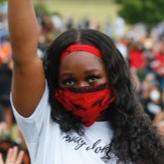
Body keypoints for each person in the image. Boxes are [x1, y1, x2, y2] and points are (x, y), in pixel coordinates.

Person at [8, 0, 164, 164]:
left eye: (92, 78)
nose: (81, 87)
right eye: (69, 82)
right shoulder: (43, 122)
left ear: (113, 78)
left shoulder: (143, 144)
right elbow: (24, 57)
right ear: (56, 84)